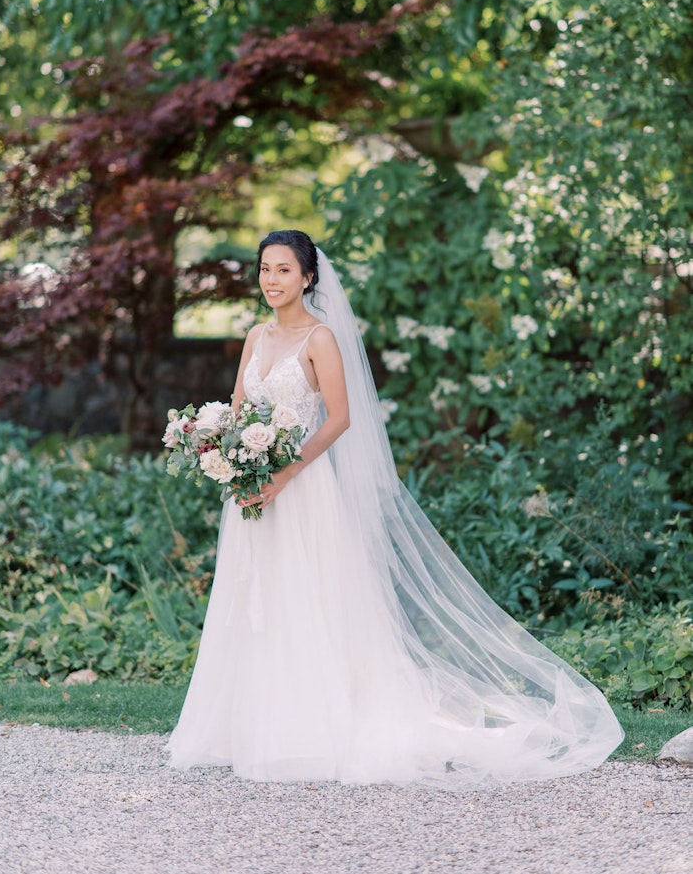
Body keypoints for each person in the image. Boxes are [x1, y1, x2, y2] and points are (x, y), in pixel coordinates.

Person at [167, 229, 623, 787]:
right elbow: (239, 410)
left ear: (308, 277)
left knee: (308, 601)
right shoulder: (256, 338)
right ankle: (251, 726)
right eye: (265, 269)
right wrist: (226, 455)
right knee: (255, 601)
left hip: (303, 492)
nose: (271, 280)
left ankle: (313, 731)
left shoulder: (321, 339)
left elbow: (339, 418)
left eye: (284, 270)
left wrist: (283, 474)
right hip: (252, 495)